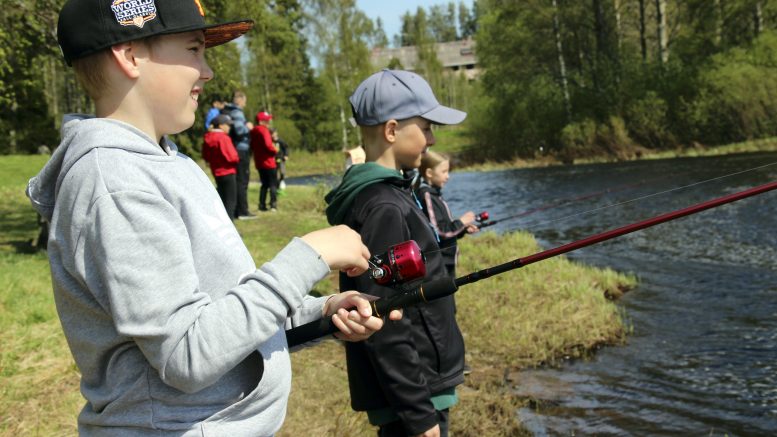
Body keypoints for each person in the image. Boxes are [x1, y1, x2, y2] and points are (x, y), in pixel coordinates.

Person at [26, 2, 399, 435]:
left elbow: (220, 306)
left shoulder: (169, 161)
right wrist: (309, 255)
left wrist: (324, 309)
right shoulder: (115, 182)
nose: (207, 72)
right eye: (193, 50)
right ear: (129, 58)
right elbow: (186, 353)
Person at [325, 69, 467, 437]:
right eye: (426, 127)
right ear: (391, 130)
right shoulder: (383, 207)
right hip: (415, 398)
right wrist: (419, 416)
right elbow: (383, 320)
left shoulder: (395, 193)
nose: (432, 138)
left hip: (419, 388)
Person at [415, 151, 479, 278]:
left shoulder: (435, 194)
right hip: (438, 263)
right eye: (444, 172)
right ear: (429, 173)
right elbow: (439, 231)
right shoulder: (427, 196)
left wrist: (463, 229)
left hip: (445, 262)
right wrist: (461, 222)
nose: (448, 176)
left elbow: (444, 227)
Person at [223, 91, 254, 219]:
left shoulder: (229, 111)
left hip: (236, 149)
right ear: (240, 100)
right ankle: (243, 211)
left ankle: (238, 210)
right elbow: (240, 130)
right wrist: (249, 127)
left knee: (238, 180)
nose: (245, 104)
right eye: (245, 101)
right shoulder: (237, 112)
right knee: (242, 180)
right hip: (241, 149)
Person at [202, 114, 239, 219]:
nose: (229, 127)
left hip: (216, 172)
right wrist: (237, 157)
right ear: (221, 125)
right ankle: (231, 228)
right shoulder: (223, 138)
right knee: (230, 202)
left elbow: (205, 156)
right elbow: (232, 157)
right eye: (228, 125)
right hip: (228, 172)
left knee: (222, 200)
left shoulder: (208, 137)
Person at [250, 110, 278, 211]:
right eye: (266, 121)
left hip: (259, 162)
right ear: (261, 121)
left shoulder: (253, 131)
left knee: (264, 184)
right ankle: (273, 205)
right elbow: (268, 145)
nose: (268, 123)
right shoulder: (264, 130)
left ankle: (261, 205)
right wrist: (275, 151)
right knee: (273, 184)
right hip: (269, 162)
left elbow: (252, 146)